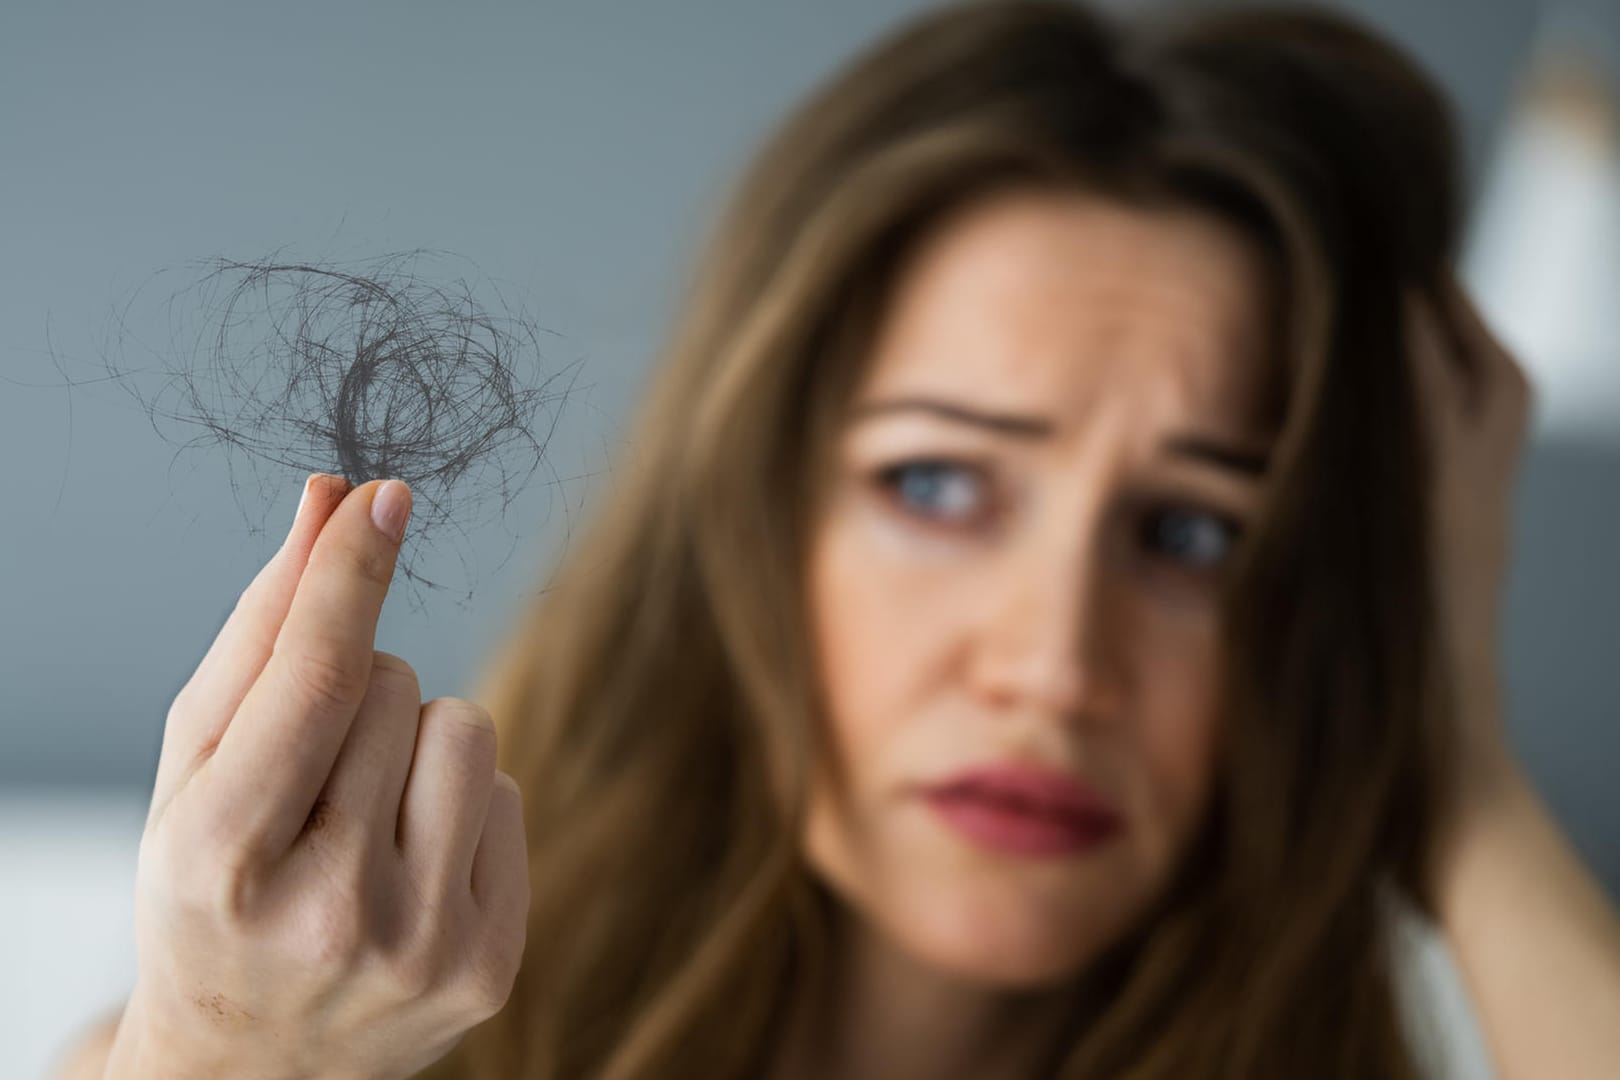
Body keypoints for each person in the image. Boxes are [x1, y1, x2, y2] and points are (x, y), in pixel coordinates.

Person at [60, 1, 1620, 1078]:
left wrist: (1451, 753)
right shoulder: (344, 1026)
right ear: (752, 517)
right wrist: (223, 1051)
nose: (1055, 665)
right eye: (938, 487)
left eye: (1198, 531)